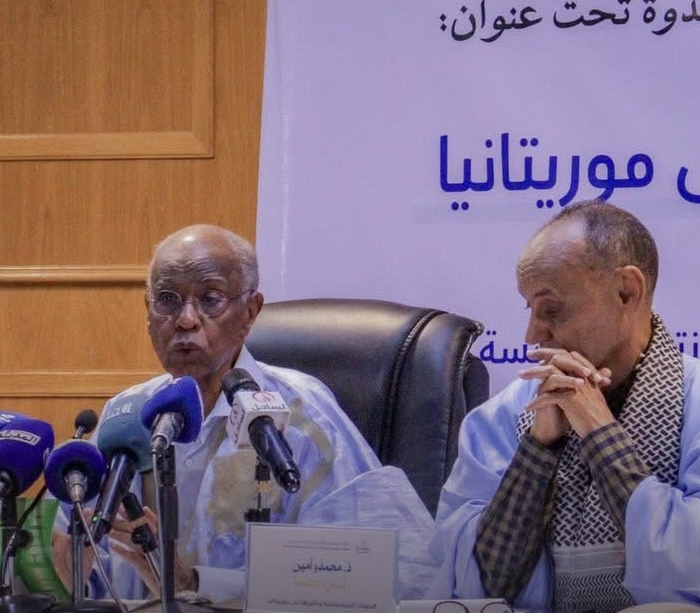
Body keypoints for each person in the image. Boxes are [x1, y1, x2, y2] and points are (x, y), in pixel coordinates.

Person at [429, 201, 700, 612]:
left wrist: (602, 439)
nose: (532, 335)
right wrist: (537, 451)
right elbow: (476, 589)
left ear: (627, 291)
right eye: (531, 310)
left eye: (552, 310)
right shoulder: (503, 418)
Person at [53, 224, 436, 603]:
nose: (186, 319)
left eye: (210, 298)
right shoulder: (125, 416)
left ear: (251, 312)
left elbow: (388, 575)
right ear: (148, 312)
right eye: (167, 299)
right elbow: (85, 570)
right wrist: (73, 573)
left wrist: (192, 584)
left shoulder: (302, 414)